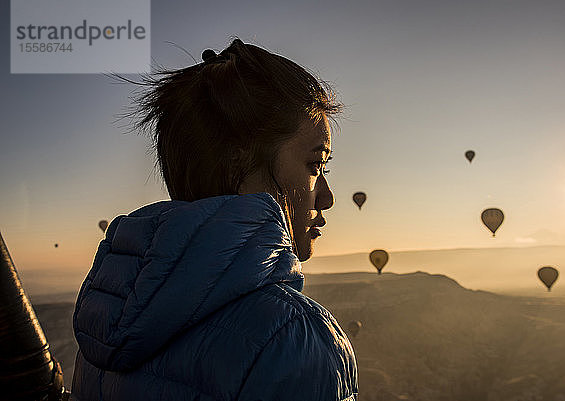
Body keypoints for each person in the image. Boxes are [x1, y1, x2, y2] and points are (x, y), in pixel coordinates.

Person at [70, 38, 359, 401]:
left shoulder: (103, 320)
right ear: (239, 164)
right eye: (315, 165)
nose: (328, 198)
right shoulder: (293, 337)